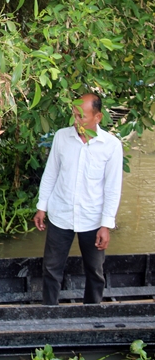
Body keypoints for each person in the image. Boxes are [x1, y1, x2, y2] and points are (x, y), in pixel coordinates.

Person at [34, 93, 123, 305]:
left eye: (81, 116)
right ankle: (49, 314)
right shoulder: (62, 137)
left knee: (94, 271)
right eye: (74, 115)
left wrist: (105, 225)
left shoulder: (111, 145)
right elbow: (51, 174)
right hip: (60, 214)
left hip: (92, 219)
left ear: (98, 117)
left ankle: (92, 313)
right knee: (51, 268)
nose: (76, 121)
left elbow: (112, 189)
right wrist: (41, 207)